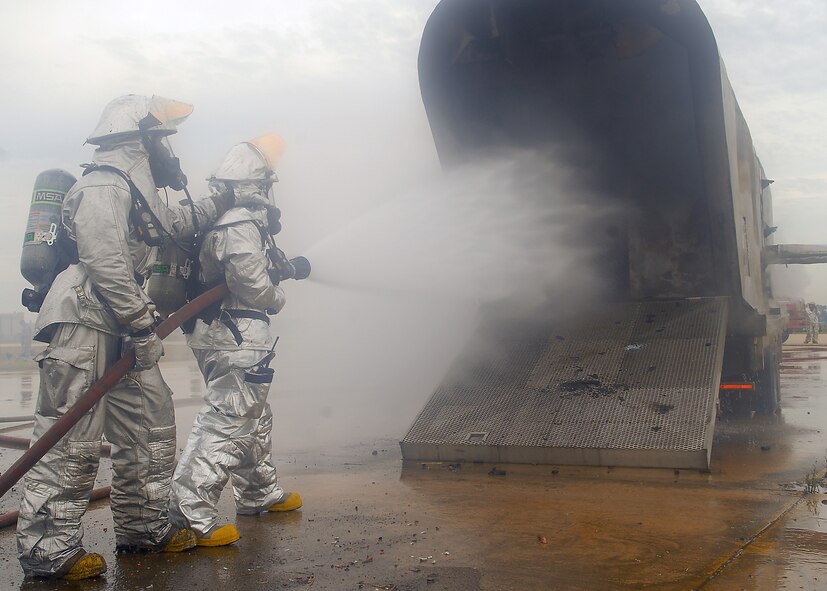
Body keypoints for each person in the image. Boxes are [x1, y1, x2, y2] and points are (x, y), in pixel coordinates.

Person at [16, 95, 235, 580]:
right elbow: (106, 262)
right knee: (70, 439)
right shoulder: (101, 187)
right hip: (84, 322)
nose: (168, 152)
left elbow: (171, 225)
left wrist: (222, 200)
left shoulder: (135, 192)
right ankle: (49, 551)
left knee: (150, 424)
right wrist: (141, 324)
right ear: (139, 139)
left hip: (118, 322)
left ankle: (145, 529)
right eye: (162, 139)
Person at [169, 134, 302, 548]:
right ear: (255, 184)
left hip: (224, 332)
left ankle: (259, 491)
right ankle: (191, 511)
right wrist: (277, 295)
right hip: (237, 334)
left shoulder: (224, 221)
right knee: (229, 421)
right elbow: (253, 285)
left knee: (253, 417)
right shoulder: (239, 223)